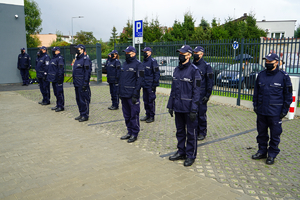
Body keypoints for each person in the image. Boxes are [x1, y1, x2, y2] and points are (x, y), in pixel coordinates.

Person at [252, 53, 293, 165]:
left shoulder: (283, 76)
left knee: (275, 135)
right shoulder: (261, 75)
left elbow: (288, 95)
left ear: (277, 62)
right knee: (261, 134)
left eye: (270, 61)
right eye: (266, 61)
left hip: (275, 112)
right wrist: (255, 104)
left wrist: (285, 110)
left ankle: (272, 155)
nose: (267, 63)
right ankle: (262, 152)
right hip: (261, 111)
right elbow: (256, 92)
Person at [167, 45, 201, 167]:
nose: (180, 55)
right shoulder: (176, 70)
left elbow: (197, 92)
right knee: (180, 132)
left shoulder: (194, 71)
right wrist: (170, 105)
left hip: (189, 109)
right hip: (178, 107)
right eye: (179, 53)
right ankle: (181, 152)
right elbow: (173, 90)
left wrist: (194, 110)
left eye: (183, 54)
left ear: (189, 55)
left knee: (191, 133)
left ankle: (191, 155)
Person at [119, 46, 144, 143]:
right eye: (125, 53)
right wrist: (119, 92)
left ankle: (134, 133)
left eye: (128, 53)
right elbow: (121, 79)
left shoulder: (138, 64)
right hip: (124, 93)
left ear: (133, 53)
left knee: (134, 115)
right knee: (127, 115)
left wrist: (135, 94)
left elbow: (140, 81)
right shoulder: (124, 64)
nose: (126, 54)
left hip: (132, 95)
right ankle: (129, 131)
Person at [192, 46, 213, 141]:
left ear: (202, 54)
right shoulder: (191, 64)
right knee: (193, 114)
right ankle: (194, 131)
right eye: (194, 52)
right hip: (192, 94)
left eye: (197, 53)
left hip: (201, 94)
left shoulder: (206, 66)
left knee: (201, 114)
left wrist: (207, 95)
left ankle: (202, 132)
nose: (195, 54)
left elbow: (210, 82)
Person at [140, 47, 160, 123]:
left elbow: (157, 73)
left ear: (150, 52)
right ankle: (147, 115)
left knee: (150, 100)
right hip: (144, 85)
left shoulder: (153, 61)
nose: (144, 53)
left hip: (150, 85)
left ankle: (151, 116)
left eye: (146, 52)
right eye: (143, 51)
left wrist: (154, 85)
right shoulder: (144, 62)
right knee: (145, 100)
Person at [73, 44, 92, 122]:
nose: (77, 50)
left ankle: (85, 115)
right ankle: (81, 113)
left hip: (82, 83)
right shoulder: (77, 59)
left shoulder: (85, 59)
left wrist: (85, 83)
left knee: (83, 100)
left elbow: (87, 72)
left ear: (82, 49)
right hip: (76, 83)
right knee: (78, 99)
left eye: (78, 48)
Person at [47, 47, 65, 112]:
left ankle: (61, 106)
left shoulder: (60, 59)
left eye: (54, 51)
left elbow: (60, 69)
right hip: (53, 79)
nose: (53, 52)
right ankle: (58, 105)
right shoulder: (53, 58)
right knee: (56, 93)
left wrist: (60, 78)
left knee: (59, 93)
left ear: (58, 51)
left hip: (58, 79)